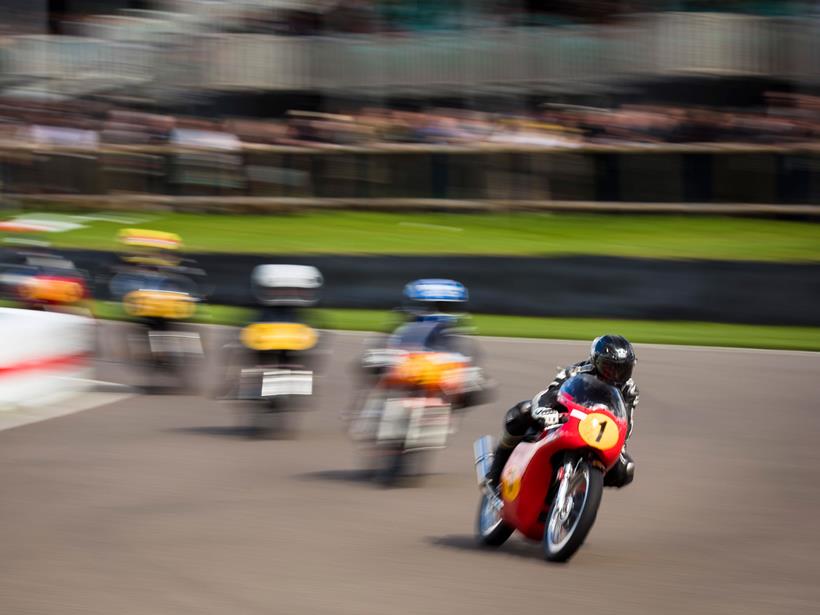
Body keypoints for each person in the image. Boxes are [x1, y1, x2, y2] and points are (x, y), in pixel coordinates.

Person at [485, 334, 638, 491]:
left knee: (625, 470)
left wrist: (620, 446)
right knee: (521, 412)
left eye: (622, 369)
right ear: (595, 361)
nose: (616, 374)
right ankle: (494, 473)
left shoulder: (629, 389)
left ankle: (584, 486)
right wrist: (543, 411)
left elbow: (625, 423)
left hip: (598, 431)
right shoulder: (576, 372)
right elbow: (549, 394)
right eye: (610, 367)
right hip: (564, 419)